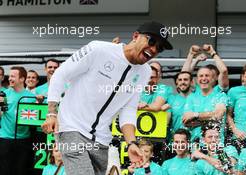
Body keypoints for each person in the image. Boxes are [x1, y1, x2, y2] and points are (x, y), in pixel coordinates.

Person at [42, 21, 173, 175]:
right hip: (71, 127)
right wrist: (52, 113)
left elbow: (128, 111)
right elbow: (60, 74)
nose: (154, 49)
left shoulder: (144, 72)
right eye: (151, 41)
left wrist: (131, 143)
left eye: (159, 48)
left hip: (101, 139)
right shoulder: (99, 49)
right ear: (136, 36)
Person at [0, 66, 36, 175]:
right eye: (9, 76)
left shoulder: (30, 96)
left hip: (23, 140)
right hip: (5, 139)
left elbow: (34, 119)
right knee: (4, 171)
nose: (10, 78)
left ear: (22, 79)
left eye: (13, 76)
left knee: (20, 171)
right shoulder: (4, 94)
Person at [182, 66, 227, 143]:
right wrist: (210, 118)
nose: (204, 78)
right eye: (201, 76)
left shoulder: (220, 96)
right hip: (195, 145)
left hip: (216, 143)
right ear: (197, 79)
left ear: (213, 78)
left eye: (207, 75)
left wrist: (195, 115)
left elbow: (218, 115)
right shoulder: (191, 97)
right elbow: (186, 122)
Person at [166, 71, 194, 143]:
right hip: (175, 143)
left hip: (193, 142)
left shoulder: (198, 98)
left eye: (185, 80)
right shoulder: (171, 99)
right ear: (177, 83)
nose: (182, 82)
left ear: (191, 82)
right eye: (180, 80)